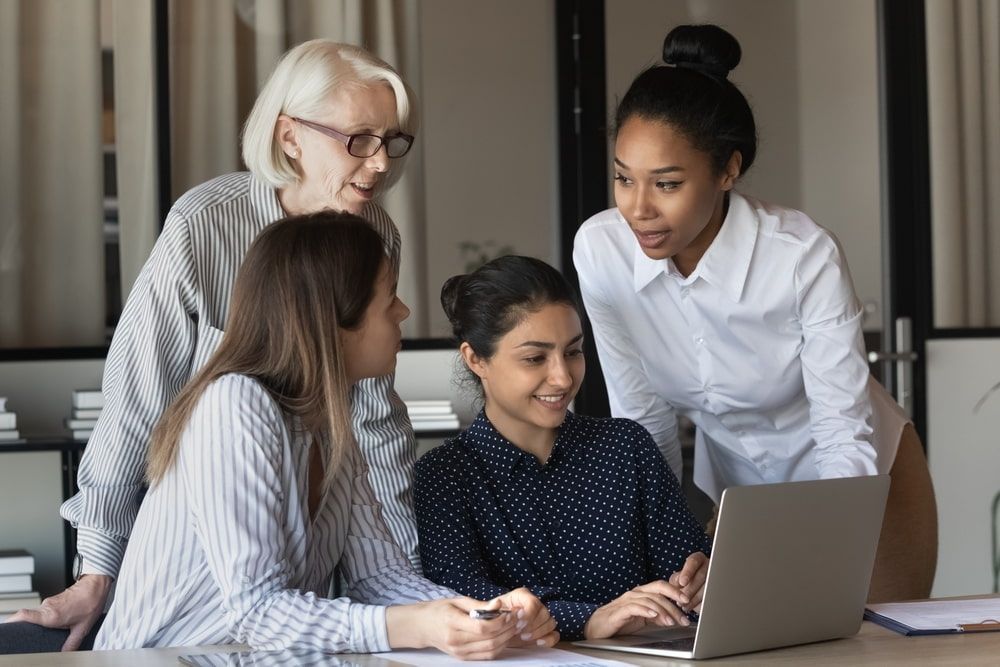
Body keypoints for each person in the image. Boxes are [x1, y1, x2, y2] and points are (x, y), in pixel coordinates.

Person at [6, 40, 426, 650]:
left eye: (391, 140)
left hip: (281, 594)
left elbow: (372, 417)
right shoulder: (205, 224)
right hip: (196, 575)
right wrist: (98, 571)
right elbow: (137, 400)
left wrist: (412, 589)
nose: (382, 162)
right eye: (359, 138)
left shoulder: (374, 234)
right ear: (290, 137)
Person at [572, 25, 936, 600]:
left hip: (862, 478)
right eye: (623, 178)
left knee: (872, 649)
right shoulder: (601, 251)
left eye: (666, 184)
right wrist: (666, 547)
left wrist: (827, 542)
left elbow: (842, 429)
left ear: (727, 170)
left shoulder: (800, 256)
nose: (637, 209)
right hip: (742, 494)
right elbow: (641, 416)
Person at [91, 212, 557, 655]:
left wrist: (479, 616)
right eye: (388, 296)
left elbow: (382, 577)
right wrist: (417, 627)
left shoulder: (331, 420)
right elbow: (258, 612)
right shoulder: (234, 403)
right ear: (335, 319)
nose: (404, 310)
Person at [414, 256, 711, 642]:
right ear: (476, 359)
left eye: (573, 351)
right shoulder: (444, 475)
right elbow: (465, 601)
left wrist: (701, 579)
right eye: (535, 358)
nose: (563, 376)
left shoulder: (625, 446)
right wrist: (589, 620)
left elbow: (685, 567)